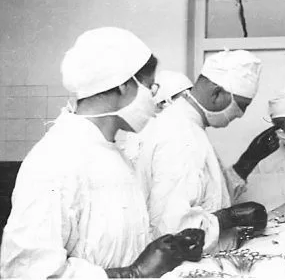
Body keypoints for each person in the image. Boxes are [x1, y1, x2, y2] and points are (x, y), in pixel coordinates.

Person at [0, 27, 205, 278]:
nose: (153, 98)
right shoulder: (56, 158)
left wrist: (171, 250)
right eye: (150, 87)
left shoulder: (111, 152)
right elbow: (27, 272)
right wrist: (131, 274)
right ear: (122, 85)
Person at [135, 49, 277, 253]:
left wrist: (249, 160)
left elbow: (210, 195)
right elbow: (171, 230)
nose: (240, 114)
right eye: (241, 106)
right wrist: (228, 218)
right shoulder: (178, 136)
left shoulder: (189, 128)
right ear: (217, 93)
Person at [121, 70, 193, 167]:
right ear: (164, 103)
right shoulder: (141, 132)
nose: (190, 103)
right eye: (184, 97)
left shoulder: (190, 129)